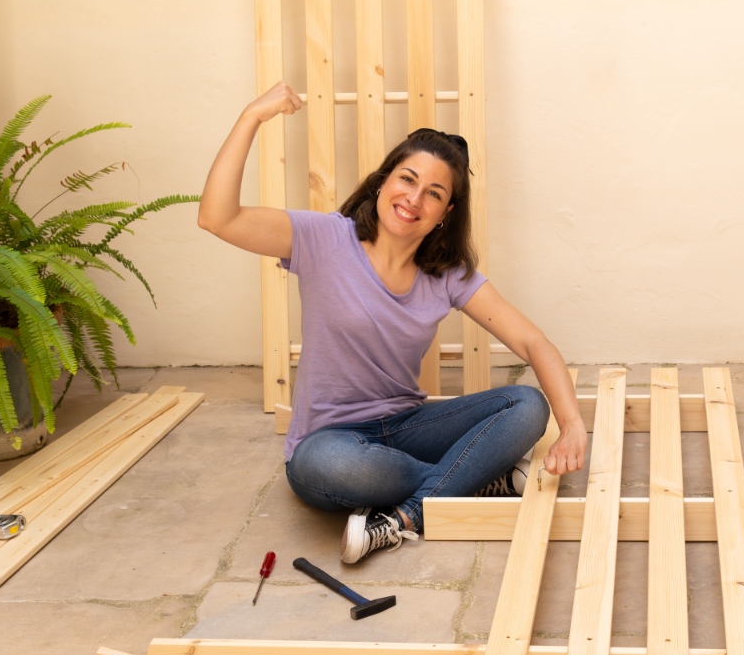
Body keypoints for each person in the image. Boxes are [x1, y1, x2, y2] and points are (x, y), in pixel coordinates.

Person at [198, 82, 587, 563]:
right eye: (407, 179)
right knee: (329, 467)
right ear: (383, 181)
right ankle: (472, 476)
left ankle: (404, 518)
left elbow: (533, 341)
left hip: (405, 427)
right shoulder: (323, 238)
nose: (414, 198)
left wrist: (573, 425)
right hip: (332, 442)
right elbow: (217, 217)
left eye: (434, 193)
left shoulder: (446, 275)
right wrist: (252, 116)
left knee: (526, 403)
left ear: (445, 213)